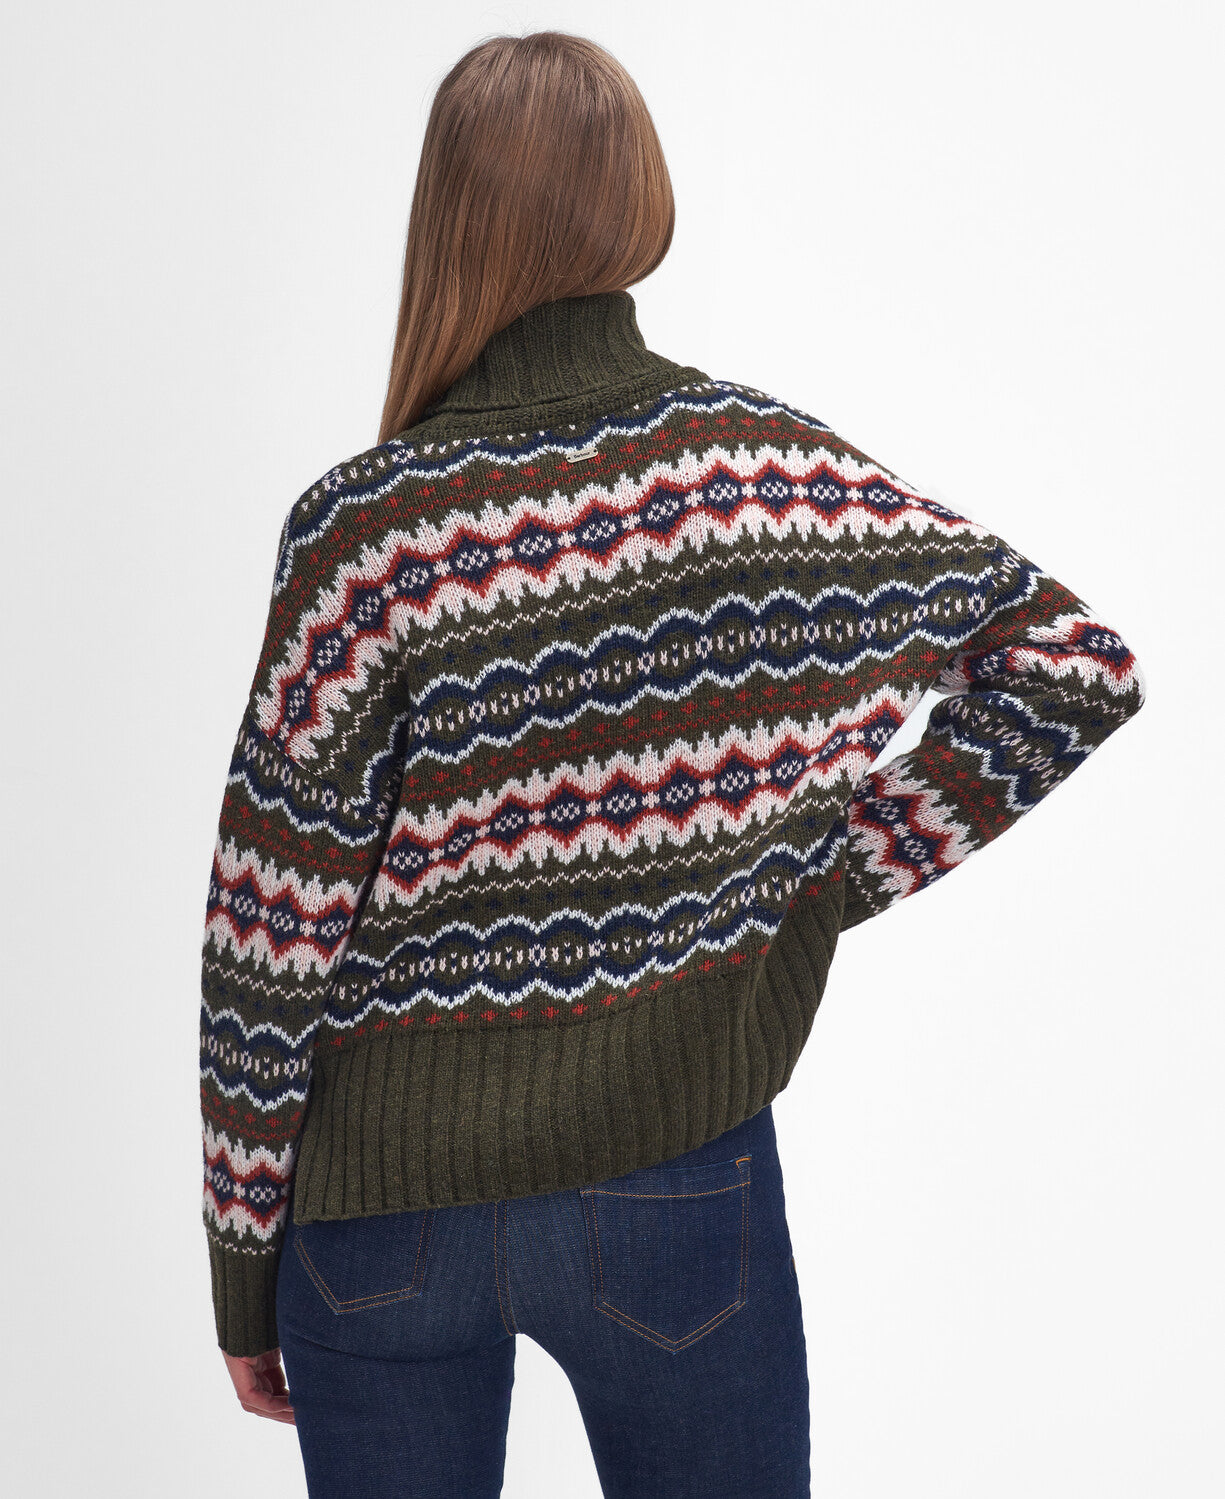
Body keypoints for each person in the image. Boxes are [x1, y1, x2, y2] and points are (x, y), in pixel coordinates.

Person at [199, 28, 1145, 1499]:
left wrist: (242, 1257)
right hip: (675, 1177)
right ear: (640, 198)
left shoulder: (369, 529)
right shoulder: (769, 475)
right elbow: (1073, 669)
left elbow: (270, 931)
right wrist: (818, 880)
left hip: (381, 1223)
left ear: (446, 216)